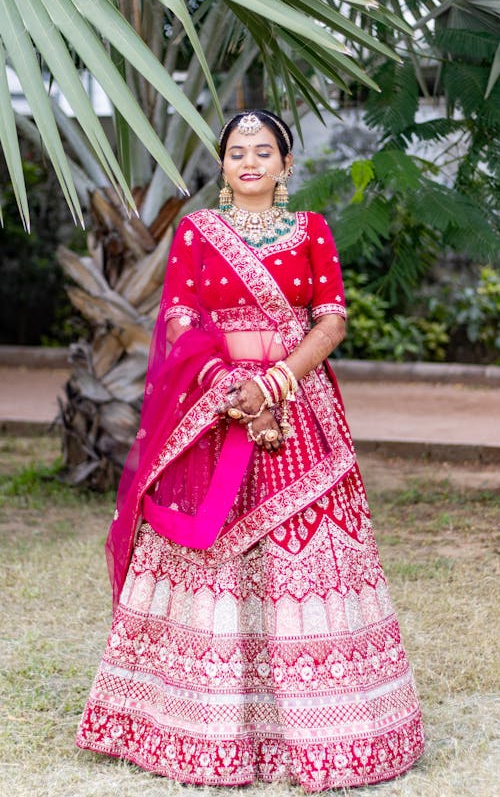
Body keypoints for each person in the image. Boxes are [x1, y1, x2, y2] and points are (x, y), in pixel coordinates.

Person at [76, 109, 424, 790]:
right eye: (238, 152)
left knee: (308, 548)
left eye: (264, 151)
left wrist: (277, 379)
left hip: (299, 410)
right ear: (224, 165)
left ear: (286, 165)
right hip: (214, 409)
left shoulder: (312, 230)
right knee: (210, 553)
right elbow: (179, 315)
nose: (251, 161)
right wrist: (222, 382)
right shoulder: (198, 233)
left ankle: (330, 727)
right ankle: (189, 723)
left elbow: (332, 317)